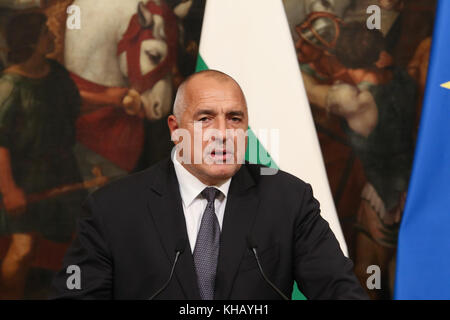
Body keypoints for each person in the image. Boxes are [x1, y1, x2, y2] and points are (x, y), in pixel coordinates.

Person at [50, 70, 367, 300]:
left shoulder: (288, 199)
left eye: (234, 119)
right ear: (175, 129)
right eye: (205, 118)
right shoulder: (113, 209)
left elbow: (339, 290)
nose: (223, 132)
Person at [0, 12, 87, 299]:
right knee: (23, 249)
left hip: (63, 172)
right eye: (46, 33)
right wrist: (10, 190)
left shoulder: (55, 73)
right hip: (23, 180)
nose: (51, 36)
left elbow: (75, 102)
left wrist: (113, 99)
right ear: (33, 41)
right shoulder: (9, 89)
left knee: (84, 239)